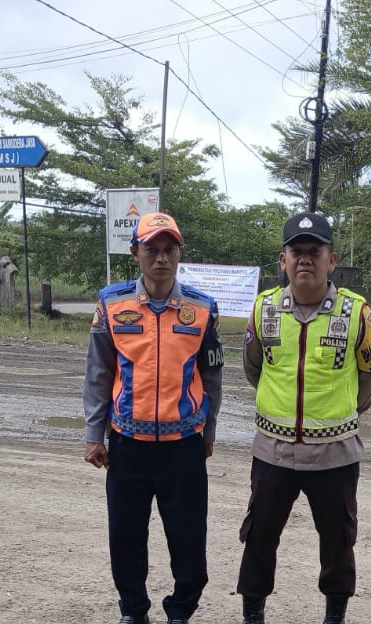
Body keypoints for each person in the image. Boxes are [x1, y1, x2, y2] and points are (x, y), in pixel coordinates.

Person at [236, 212, 371, 624]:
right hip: (273, 453)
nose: (305, 259)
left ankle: (334, 615)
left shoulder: (356, 312)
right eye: (297, 251)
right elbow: (254, 368)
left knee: (338, 540)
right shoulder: (264, 308)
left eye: (314, 251)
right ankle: (253, 614)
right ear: (283, 260)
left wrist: (342, 414)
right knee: (259, 536)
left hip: (335, 456)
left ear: (331, 260)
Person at [83, 212, 224, 624]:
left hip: (184, 447)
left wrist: (208, 433)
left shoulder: (202, 308)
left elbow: (212, 377)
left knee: (189, 541)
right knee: (125, 538)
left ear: (180, 253)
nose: (161, 258)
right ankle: (134, 611)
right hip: (127, 446)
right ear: (135, 253)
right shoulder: (111, 304)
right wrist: (94, 434)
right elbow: (98, 373)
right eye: (152, 249)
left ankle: (180, 611)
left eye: (169, 249)